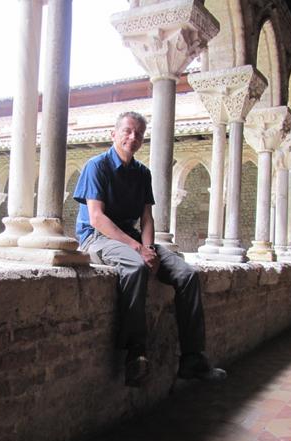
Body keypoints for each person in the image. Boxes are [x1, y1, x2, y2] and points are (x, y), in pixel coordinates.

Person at [73, 111, 227, 387]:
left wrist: (149, 248)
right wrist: (138, 249)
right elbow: (96, 218)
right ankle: (136, 353)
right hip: (96, 237)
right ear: (114, 134)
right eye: (127, 131)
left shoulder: (142, 173)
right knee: (135, 268)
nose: (133, 137)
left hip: (130, 237)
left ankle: (192, 358)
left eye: (139, 133)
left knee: (187, 275)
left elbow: (146, 218)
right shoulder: (96, 166)